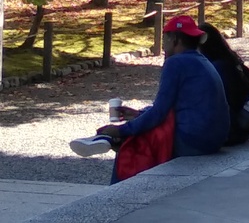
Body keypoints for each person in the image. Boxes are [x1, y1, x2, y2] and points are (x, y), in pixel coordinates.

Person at [83, 15, 230, 182]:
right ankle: (108, 139)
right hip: (216, 137)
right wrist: (139, 114)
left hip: (194, 141)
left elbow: (160, 112)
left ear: (174, 40)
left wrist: (121, 130)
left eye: (164, 39)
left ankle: (117, 188)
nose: (164, 46)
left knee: (132, 143)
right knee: (140, 129)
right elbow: (170, 107)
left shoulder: (175, 63)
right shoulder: (201, 60)